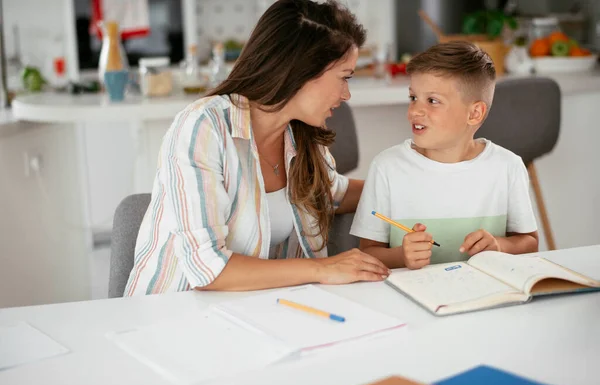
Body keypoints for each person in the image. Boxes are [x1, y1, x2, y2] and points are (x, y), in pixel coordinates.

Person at [124, 0, 390, 295]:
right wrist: (324, 269)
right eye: (344, 77)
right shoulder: (204, 127)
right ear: (302, 69)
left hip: (249, 315)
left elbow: (333, 193)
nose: (346, 94)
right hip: (173, 318)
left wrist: (410, 184)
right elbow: (208, 269)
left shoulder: (301, 136)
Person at [350, 41, 539, 270]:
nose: (415, 111)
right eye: (413, 98)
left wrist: (498, 246)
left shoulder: (508, 167)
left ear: (474, 113)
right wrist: (402, 255)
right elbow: (367, 253)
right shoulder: (387, 167)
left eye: (432, 101)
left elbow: (530, 242)